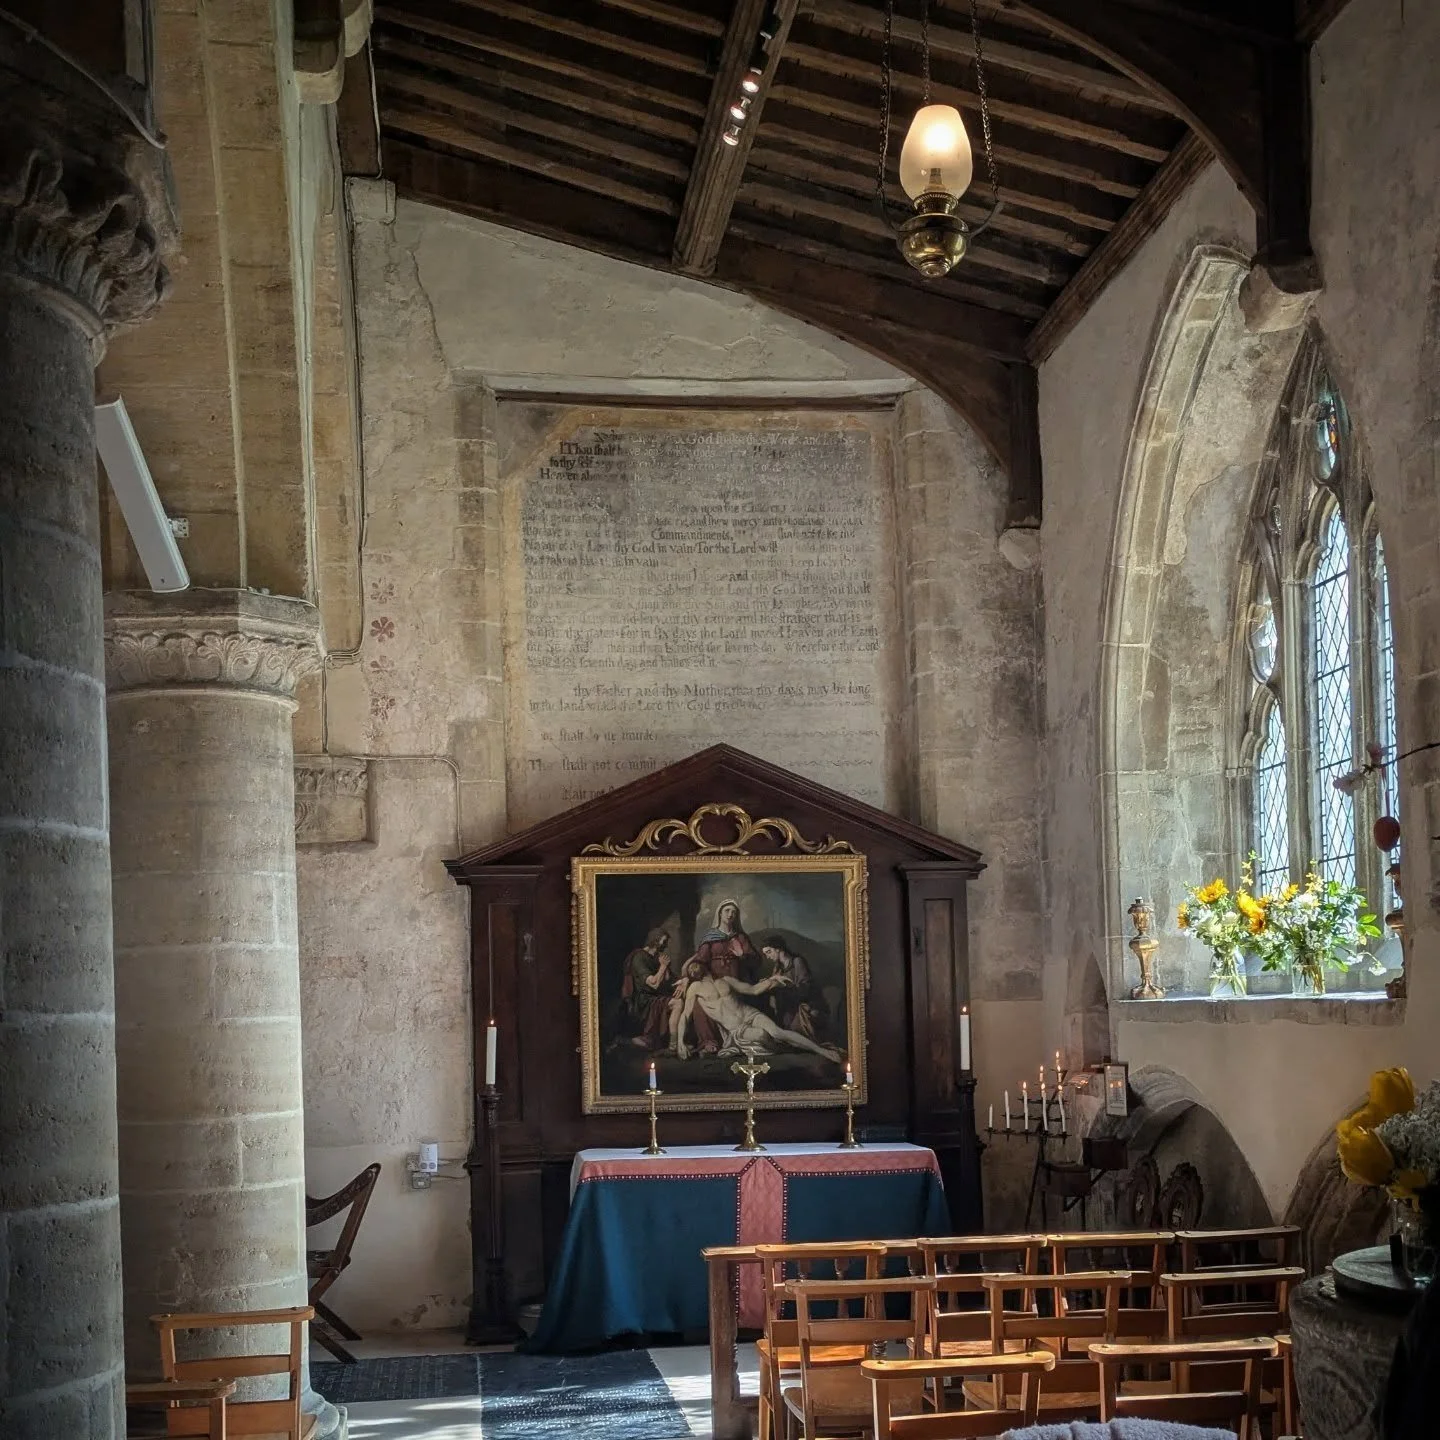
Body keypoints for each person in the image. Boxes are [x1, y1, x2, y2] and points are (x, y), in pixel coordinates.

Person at [674, 960, 843, 1063]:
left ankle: (822, 1051)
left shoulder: (725, 980)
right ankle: (786, 1046)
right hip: (737, 1029)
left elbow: (753, 989)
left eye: (696, 965)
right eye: (690, 968)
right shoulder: (695, 988)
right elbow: (685, 1016)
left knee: (777, 1032)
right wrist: (680, 1043)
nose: (693, 968)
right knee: (762, 1035)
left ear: (705, 967)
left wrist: (772, 980)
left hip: (749, 1014)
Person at [758, 935, 826, 1040]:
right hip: (788, 1006)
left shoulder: (797, 962)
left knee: (795, 1034)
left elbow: (805, 989)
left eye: (769, 952)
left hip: (804, 1005)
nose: (768, 957)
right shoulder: (778, 967)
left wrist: (781, 984)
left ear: (778, 949)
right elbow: (775, 987)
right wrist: (768, 982)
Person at [619, 928, 673, 1050]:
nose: (666, 945)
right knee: (676, 1003)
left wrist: (684, 981)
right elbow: (653, 984)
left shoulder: (657, 958)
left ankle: (669, 1041)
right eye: (664, 942)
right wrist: (663, 967)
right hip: (643, 1000)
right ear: (655, 941)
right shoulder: (639, 957)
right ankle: (668, 1042)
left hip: (655, 996)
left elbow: (670, 981)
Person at [686, 899, 761, 984]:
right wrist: (695, 969)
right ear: (720, 913)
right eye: (727, 911)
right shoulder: (710, 937)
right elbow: (701, 960)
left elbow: (756, 961)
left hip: (739, 981)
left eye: (733, 912)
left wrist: (742, 955)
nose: (730, 915)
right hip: (716, 981)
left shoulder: (740, 937)